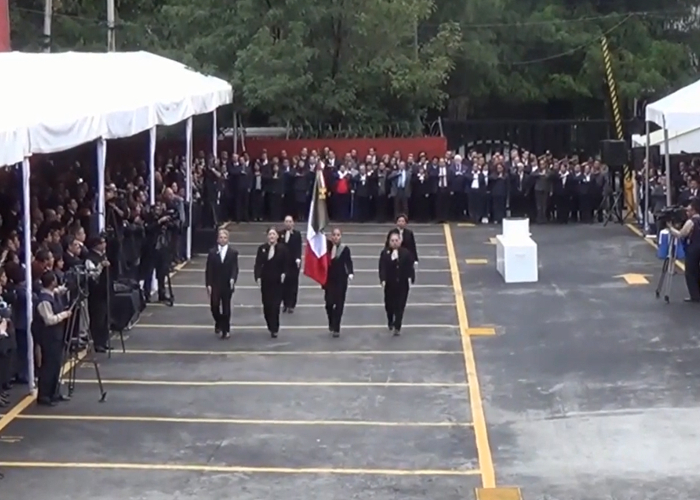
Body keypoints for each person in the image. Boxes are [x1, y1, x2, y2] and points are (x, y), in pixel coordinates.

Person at [35, 271, 72, 406]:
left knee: (56, 364)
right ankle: (44, 395)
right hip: (48, 337)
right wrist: (64, 315)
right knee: (48, 366)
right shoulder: (44, 301)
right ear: (52, 282)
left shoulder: (51, 294)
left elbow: (60, 290)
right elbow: (49, 320)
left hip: (56, 336)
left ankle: (54, 392)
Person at [205, 229, 240, 339]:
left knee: (226, 307)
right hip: (215, 283)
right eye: (221, 237)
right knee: (214, 306)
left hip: (226, 284)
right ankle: (219, 321)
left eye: (225, 237)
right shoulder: (212, 252)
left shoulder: (233, 253)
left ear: (228, 239)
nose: (223, 239)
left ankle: (226, 329)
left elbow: (235, 268)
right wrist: (208, 284)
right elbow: (209, 269)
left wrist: (233, 279)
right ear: (217, 239)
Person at [379, 230, 415, 336]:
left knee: (400, 305)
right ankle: (390, 319)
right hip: (390, 284)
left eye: (396, 240)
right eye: (392, 240)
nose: (394, 242)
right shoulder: (385, 253)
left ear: (400, 241)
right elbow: (382, 267)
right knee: (389, 305)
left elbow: (410, 266)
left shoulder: (405, 253)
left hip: (402, 284)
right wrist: (383, 279)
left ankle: (397, 325)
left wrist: (411, 277)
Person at [254, 228, 288, 338]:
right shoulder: (262, 249)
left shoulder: (283, 249)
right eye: (270, 234)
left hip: (278, 282)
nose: (272, 236)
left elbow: (286, 264)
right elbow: (258, 264)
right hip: (266, 281)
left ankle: (275, 328)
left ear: (277, 236)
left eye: (274, 234)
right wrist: (258, 276)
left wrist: (284, 273)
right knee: (267, 306)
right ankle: (270, 324)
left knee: (275, 306)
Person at [668, 198, 700, 302]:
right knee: (698, 271)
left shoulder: (691, 222)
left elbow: (681, 234)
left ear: (694, 210)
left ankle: (694, 295)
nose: (687, 212)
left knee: (690, 272)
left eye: (688, 210)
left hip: (693, 249)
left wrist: (671, 229)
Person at [324, 228, 354, 338]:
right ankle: (331, 321)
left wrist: (350, 272)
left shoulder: (345, 249)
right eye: (334, 235)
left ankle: (336, 327)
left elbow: (348, 262)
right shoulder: (327, 247)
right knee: (328, 304)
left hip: (341, 280)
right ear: (331, 236)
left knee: (339, 304)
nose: (336, 237)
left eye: (338, 235)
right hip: (329, 280)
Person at [85, 236, 111, 352]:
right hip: (96, 292)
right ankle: (97, 342)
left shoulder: (103, 255)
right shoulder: (90, 258)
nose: (104, 244)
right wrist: (101, 266)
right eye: (102, 242)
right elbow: (92, 275)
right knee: (98, 318)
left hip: (105, 290)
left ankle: (104, 340)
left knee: (105, 316)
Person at [279, 215, 302, 313]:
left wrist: (298, 258)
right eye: (286, 221)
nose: (288, 223)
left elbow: (298, 248)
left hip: (293, 263)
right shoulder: (280, 234)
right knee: (284, 284)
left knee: (293, 284)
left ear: (293, 223)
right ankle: (285, 303)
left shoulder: (297, 234)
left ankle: (291, 304)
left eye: (290, 221)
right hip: (283, 263)